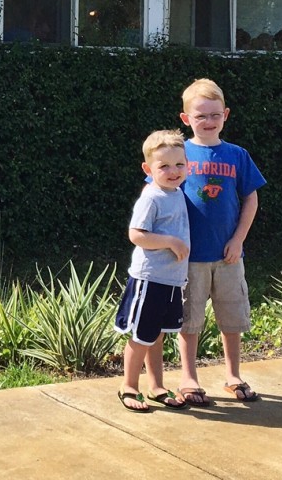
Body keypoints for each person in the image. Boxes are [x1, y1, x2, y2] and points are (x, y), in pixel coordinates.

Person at [176, 77, 267, 405]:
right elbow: (156, 191)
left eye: (215, 115)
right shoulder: (177, 153)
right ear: (186, 118)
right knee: (190, 318)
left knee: (231, 316)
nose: (209, 122)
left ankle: (232, 374)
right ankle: (188, 377)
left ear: (226, 114)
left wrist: (238, 239)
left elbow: (251, 199)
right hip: (189, 256)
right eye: (201, 116)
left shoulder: (237, 155)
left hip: (228, 255)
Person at [114, 129, 191, 412]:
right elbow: (137, 234)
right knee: (141, 335)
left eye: (179, 165)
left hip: (171, 280)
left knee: (157, 334)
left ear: (188, 165)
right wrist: (170, 242)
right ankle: (129, 386)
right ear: (148, 169)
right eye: (164, 166)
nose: (173, 171)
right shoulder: (152, 197)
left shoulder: (177, 193)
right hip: (149, 279)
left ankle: (156, 387)